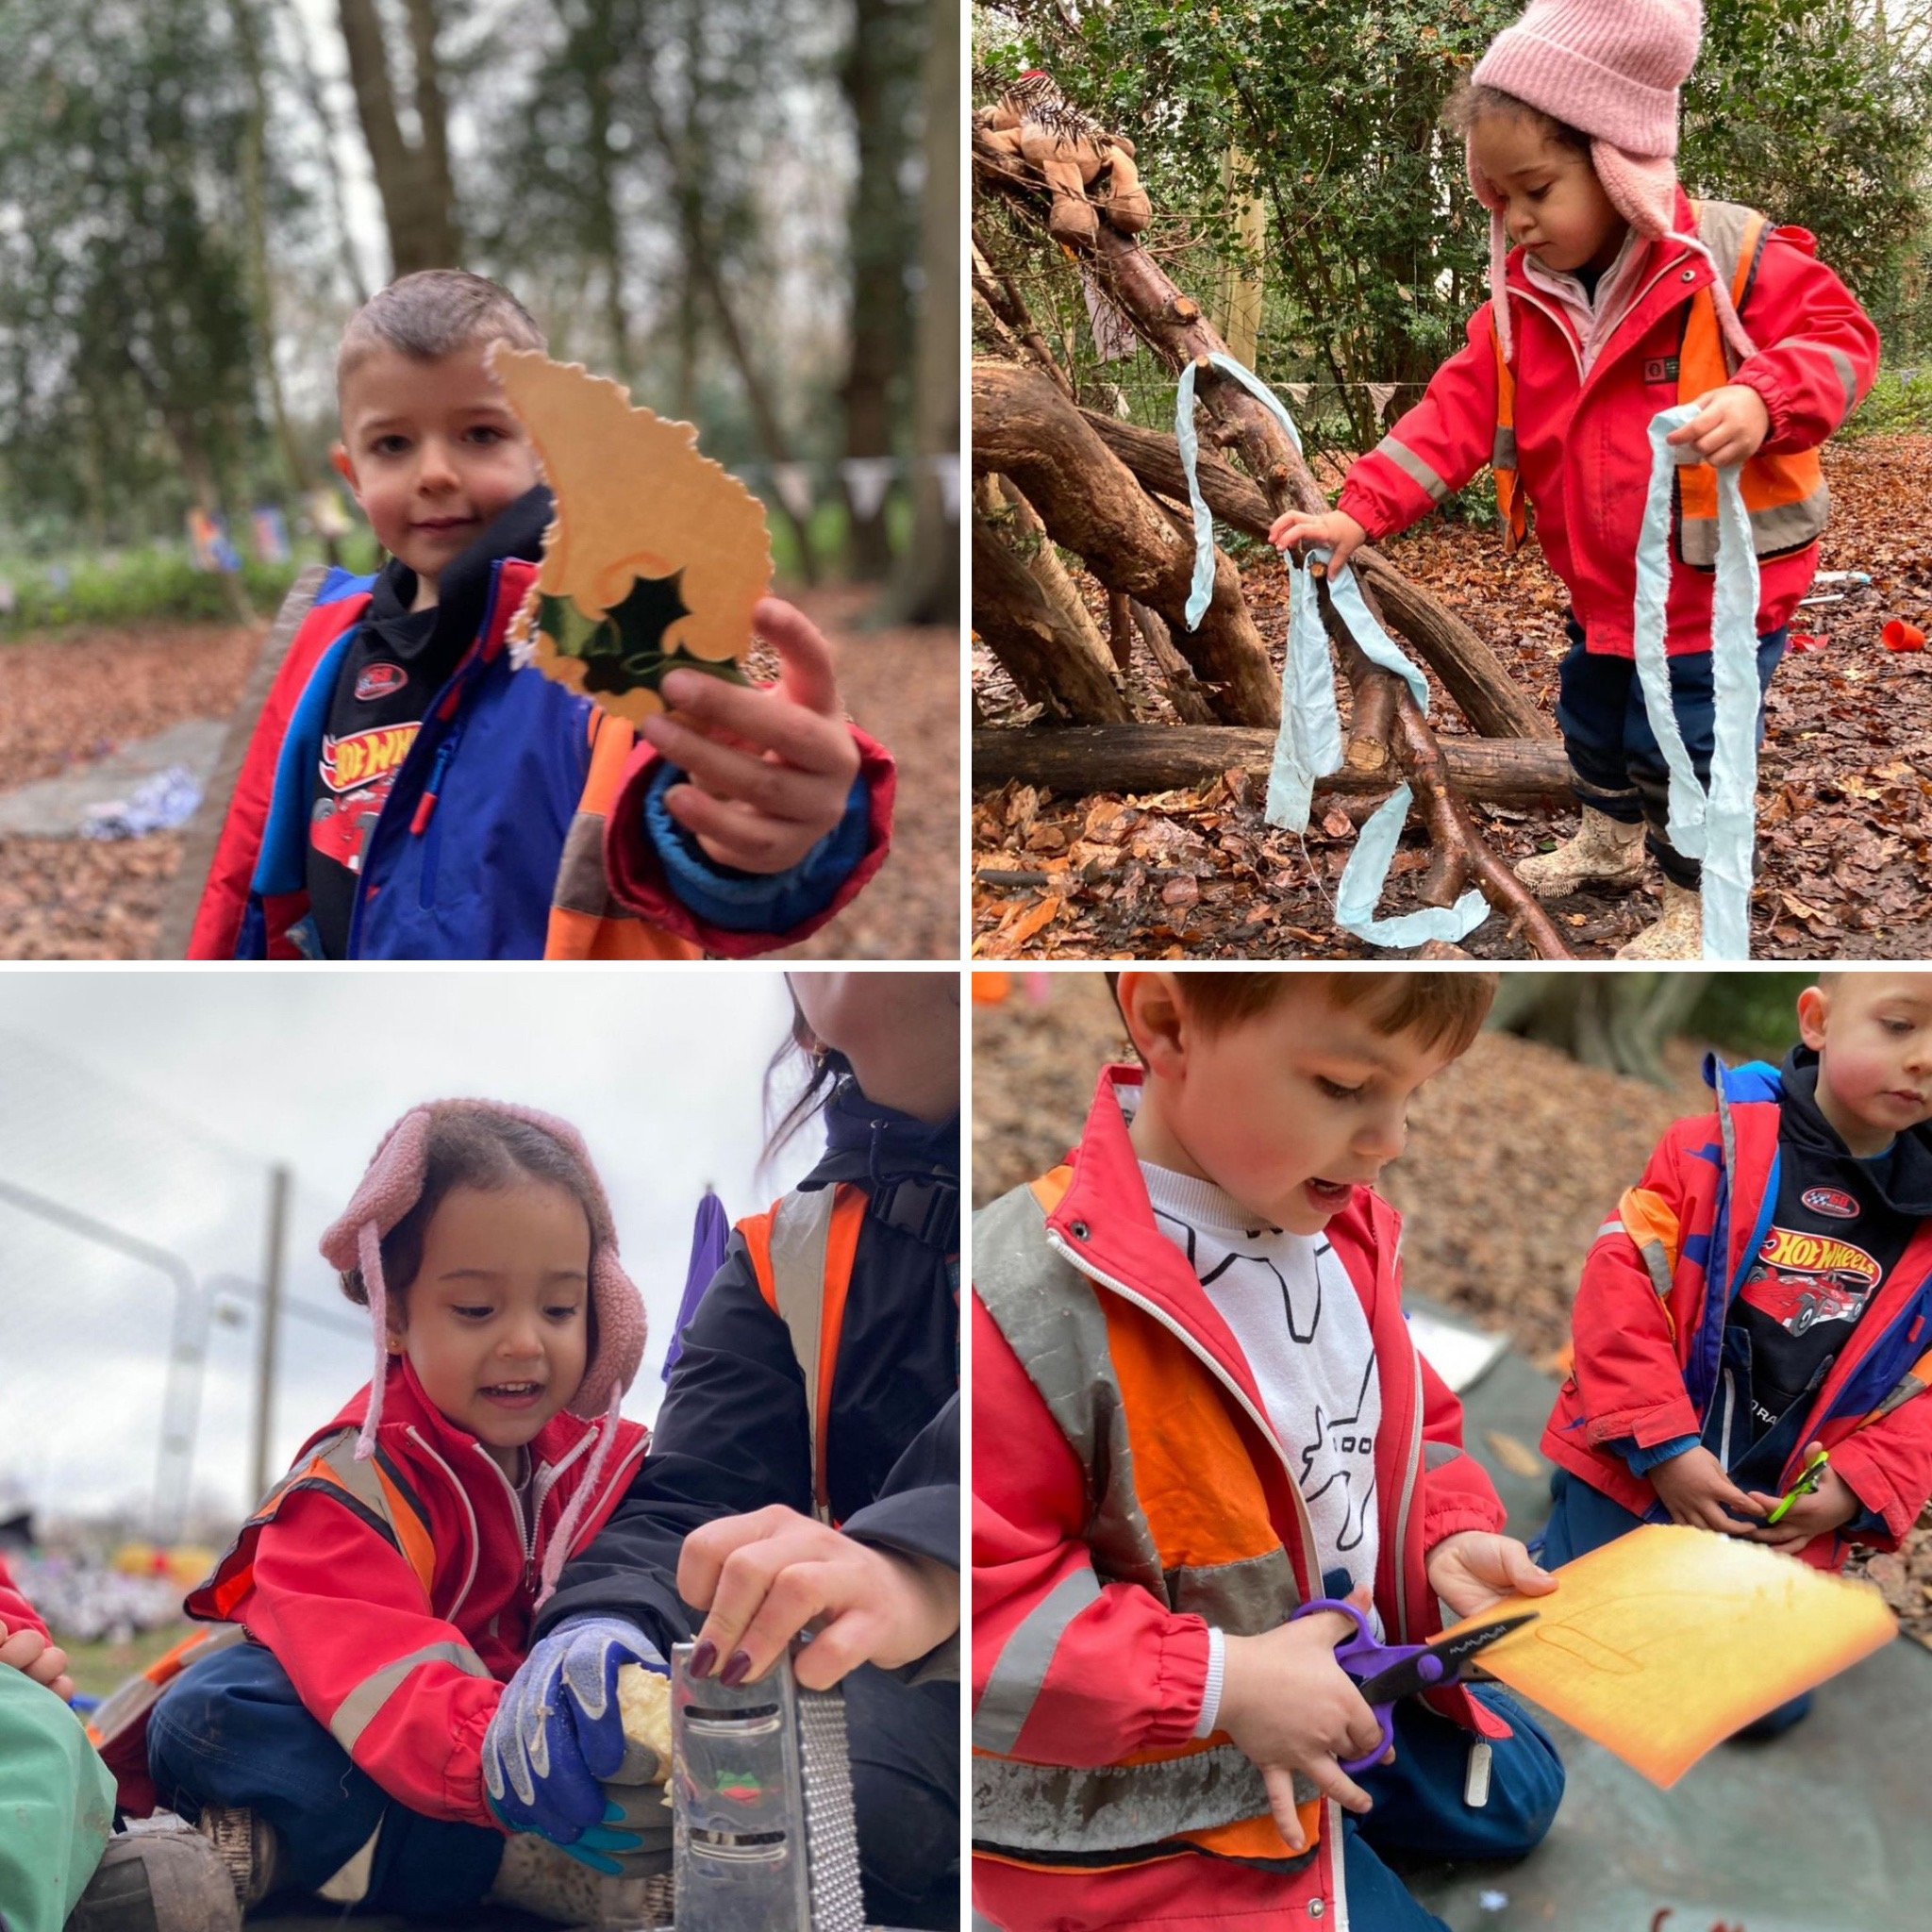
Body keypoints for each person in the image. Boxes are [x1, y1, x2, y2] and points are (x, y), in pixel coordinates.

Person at [1270, 0, 1880, 959]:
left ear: (1616, 162)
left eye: (1536, 190)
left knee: (1687, 745)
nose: (1514, 219)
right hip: (1600, 588)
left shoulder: (1727, 260)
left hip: (1714, 590)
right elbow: (1453, 412)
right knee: (1592, 720)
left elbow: (1841, 341)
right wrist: (1359, 511)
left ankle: (1694, 900)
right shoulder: (1522, 303)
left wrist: (1765, 398)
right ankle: (1608, 840)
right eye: (1495, 197)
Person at [973, 972, 1565, 1932]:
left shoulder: (1335, 1230)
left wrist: (1441, 1540)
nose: (1390, 1139)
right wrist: (1227, 1684)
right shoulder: (1020, 1301)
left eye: (1413, 1092)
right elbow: (986, 1613)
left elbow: (1405, 1422)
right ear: (1168, 1022)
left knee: (1527, 1793)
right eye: (1344, 1086)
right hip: (1152, 1783)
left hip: (1344, 1673)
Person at [186, 269, 894, 960]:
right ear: (353, 477)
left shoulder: (613, 630)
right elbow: (254, 871)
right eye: (393, 445)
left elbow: (715, 785)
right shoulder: (328, 644)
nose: (435, 473)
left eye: (480, 434)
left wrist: (772, 826)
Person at [484, 973, 960, 1929]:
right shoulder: (779, 1254)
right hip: (854, 1674)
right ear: (808, 1026)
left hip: (1023, 1664)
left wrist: (921, 1564)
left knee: (835, 1771)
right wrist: (603, 1619)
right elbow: (695, 1495)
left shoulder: (1061, 1198)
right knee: (707, 1745)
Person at [140, 1102, 658, 1922]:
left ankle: (302, 1858)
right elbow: (376, 1677)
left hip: (485, 1760)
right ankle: (523, 1860)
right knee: (210, 1710)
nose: (526, 1342)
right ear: (393, 1319)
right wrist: (514, 1759)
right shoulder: (351, 1483)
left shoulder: (612, 1464)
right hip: (444, 1753)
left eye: (560, 1310)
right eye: (477, 1310)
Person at [1540, 971, 1932, 1731]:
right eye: (1898, 1025)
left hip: (1777, 1506)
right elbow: (1621, 1295)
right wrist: (1662, 1445)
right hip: (1649, 1462)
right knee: (1575, 1639)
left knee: (1764, 1711)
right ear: (1818, 1022)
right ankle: (1576, 1521)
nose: (1925, 1059)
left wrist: (1855, 1487)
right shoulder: (1708, 1151)